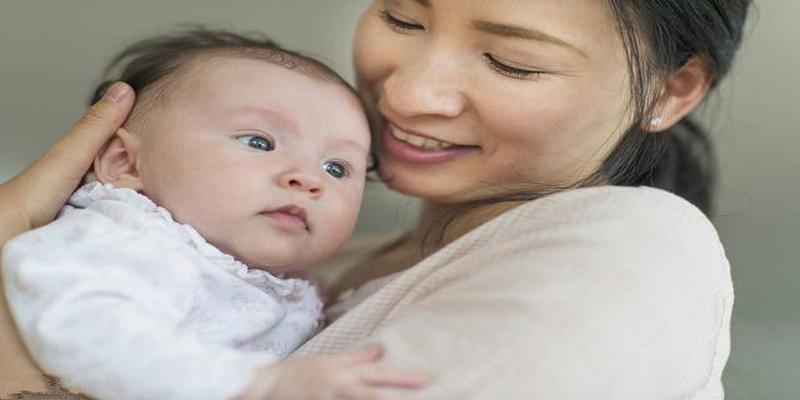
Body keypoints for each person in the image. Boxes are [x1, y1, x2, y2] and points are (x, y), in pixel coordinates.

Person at [1, 0, 752, 398]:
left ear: (671, 89)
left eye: (511, 62)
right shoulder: (305, 269)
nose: (407, 93)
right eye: (401, 15)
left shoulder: (629, 243)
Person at [1, 29, 428, 400]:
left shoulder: (296, 286)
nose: (308, 179)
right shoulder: (126, 238)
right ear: (125, 163)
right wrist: (259, 385)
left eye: (337, 168)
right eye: (259, 142)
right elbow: (88, 327)